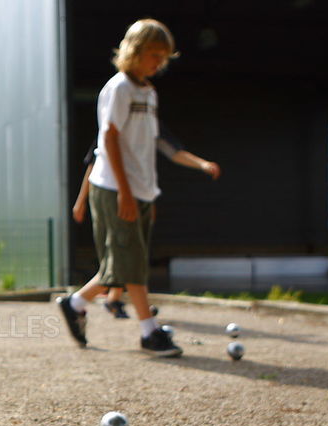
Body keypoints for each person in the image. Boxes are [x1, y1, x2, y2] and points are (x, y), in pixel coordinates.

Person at [58, 18, 221, 356]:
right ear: (134, 51)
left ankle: (74, 304)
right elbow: (110, 140)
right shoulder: (118, 89)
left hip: (140, 190)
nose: (159, 63)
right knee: (130, 263)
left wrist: (189, 169)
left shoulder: (148, 92)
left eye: (164, 57)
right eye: (153, 54)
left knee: (123, 265)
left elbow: (157, 143)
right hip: (115, 188)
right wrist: (127, 192)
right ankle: (149, 332)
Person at [73, 121, 186, 320]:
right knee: (123, 258)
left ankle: (107, 301)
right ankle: (87, 301)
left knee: (130, 257)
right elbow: (93, 166)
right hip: (113, 199)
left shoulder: (145, 130)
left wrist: (148, 201)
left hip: (136, 199)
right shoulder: (109, 131)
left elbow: (150, 166)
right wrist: (81, 201)